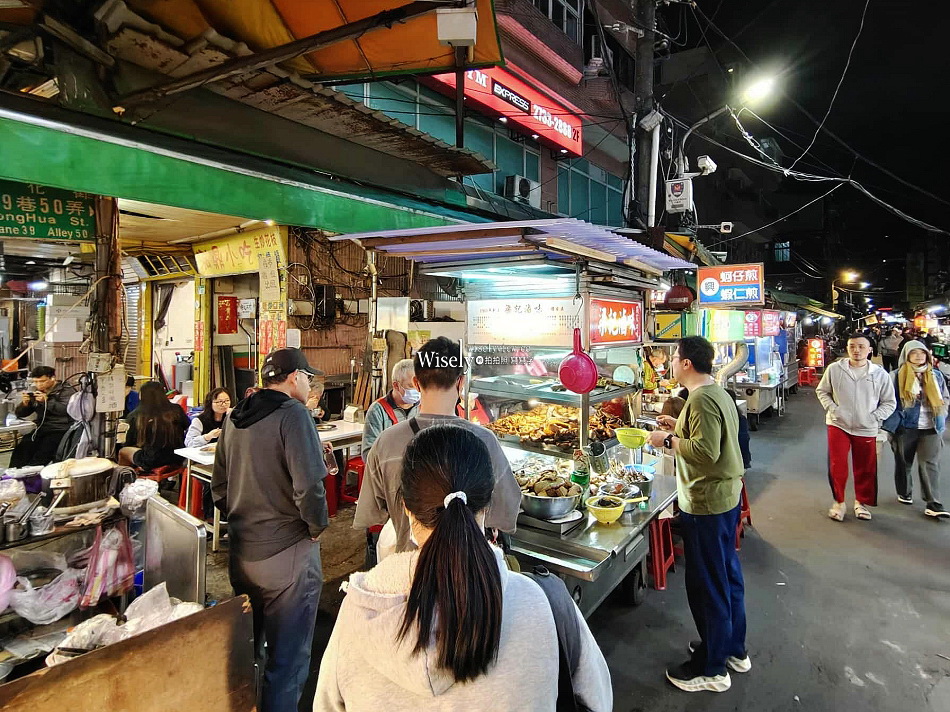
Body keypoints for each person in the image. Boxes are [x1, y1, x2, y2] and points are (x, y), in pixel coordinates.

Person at [316, 424, 612, 711]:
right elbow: (597, 699)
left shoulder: (359, 611)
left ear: (406, 506)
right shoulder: (543, 601)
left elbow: (327, 705)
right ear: (487, 504)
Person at [212, 348, 328, 712]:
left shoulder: (234, 416)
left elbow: (218, 488)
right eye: (308, 377)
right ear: (294, 377)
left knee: (250, 652)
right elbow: (309, 486)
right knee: (287, 663)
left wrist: (245, 517)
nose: (309, 385)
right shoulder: (294, 415)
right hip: (286, 556)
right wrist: (316, 526)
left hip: (241, 552)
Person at [354, 337, 521, 555]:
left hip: (409, 568)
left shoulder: (385, 443)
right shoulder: (484, 441)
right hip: (470, 568)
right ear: (461, 383)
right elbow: (507, 512)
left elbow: (371, 512)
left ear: (416, 383)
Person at [646, 336, 748, 694]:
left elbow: (705, 452)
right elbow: (713, 440)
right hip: (723, 498)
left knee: (707, 585)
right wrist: (677, 427)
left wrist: (667, 442)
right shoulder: (714, 391)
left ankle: (712, 668)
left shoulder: (702, 399)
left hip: (706, 502)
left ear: (687, 363)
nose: (671, 362)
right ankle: (731, 648)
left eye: (674, 357)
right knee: (726, 577)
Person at [816, 333, 896, 522]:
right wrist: (833, 409)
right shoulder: (835, 369)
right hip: (838, 424)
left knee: (866, 466)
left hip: (866, 427)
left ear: (870, 350)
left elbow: (889, 402)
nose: (856, 350)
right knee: (837, 464)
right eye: (852, 346)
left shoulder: (879, 374)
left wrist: (875, 417)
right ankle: (839, 502)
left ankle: (861, 502)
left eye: (861, 346)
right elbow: (822, 391)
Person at [882, 341, 950, 518]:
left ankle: (933, 502)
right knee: (904, 462)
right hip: (905, 427)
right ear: (906, 355)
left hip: (931, 426)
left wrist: (942, 411)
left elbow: (945, 396)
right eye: (914, 353)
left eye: (922, 352)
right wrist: (893, 423)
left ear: (927, 355)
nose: (919, 356)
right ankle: (904, 491)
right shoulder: (896, 376)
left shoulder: (936, 375)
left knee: (930, 464)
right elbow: (888, 401)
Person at [10, 366, 77, 467]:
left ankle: (33, 474)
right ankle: (13, 475)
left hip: (60, 429)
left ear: (52, 378)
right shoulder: (37, 391)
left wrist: (47, 402)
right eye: (36, 382)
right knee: (23, 447)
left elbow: (68, 410)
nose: (39, 385)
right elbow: (21, 414)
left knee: (43, 452)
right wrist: (25, 404)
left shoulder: (66, 391)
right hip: (41, 428)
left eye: (42, 381)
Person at [118, 381, 191, 470]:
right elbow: (187, 426)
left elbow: (129, 441)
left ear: (141, 395)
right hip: (177, 456)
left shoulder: (137, 415)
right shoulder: (176, 409)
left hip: (152, 460)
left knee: (123, 451)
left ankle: (126, 479)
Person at [361, 358, 418, 457]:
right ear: (396, 385)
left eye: (419, 384)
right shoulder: (377, 411)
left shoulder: (423, 407)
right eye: (411, 386)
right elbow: (368, 453)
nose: (417, 390)